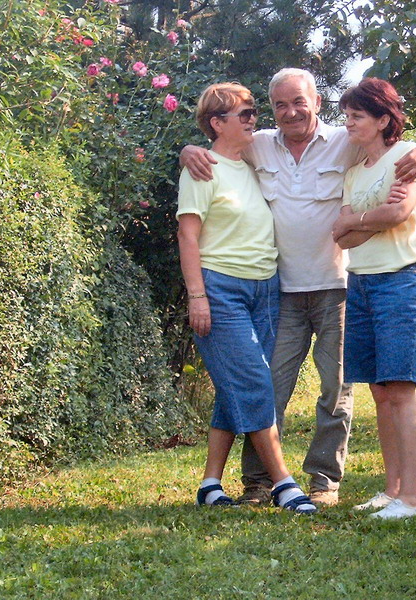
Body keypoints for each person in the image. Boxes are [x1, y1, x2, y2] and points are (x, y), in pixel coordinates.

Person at [180, 68, 416, 506]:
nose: (290, 112)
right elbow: (219, 145)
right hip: (280, 290)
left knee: (336, 392)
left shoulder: (345, 139)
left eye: (299, 101)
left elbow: (394, 146)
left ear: (317, 102)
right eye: (279, 105)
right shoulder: (259, 143)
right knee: (269, 386)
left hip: (338, 287)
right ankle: (259, 483)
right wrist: (188, 150)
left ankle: (324, 481)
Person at [177, 82, 316, 514]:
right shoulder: (202, 169)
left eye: (255, 111)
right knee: (255, 384)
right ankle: (284, 485)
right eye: (245, 113)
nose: (254, 119)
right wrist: (197, 296)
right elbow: (187, 235)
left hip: (266, 290)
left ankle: (210, 485)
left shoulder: (253, 161)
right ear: (217, 123)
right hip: (221, 290)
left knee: (235, 385)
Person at [331, 78, 416, 519]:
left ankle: (412, 498)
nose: (348, 123)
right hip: (361, 284)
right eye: (346, 116)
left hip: (401, 282)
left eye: (357, 116)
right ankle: (392, 491)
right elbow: (342, 237)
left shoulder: (407, 156)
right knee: (378, 391)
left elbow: (400, 212)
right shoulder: (355, 173)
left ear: (383, 119)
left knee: (400, 389)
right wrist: (374, 218)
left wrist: (360, 218)